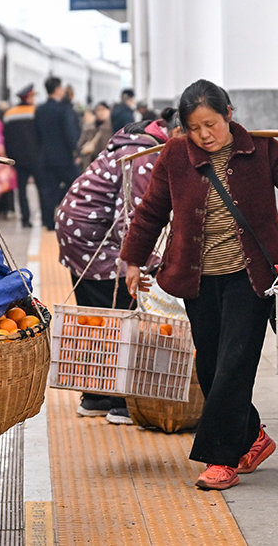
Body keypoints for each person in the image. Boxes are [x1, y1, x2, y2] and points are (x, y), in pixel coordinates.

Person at [120, 79, 278, 491]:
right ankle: (253, 437)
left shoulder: (260, 149)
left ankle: (221, 458)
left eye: (210, 124)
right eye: (194, 128)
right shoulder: (176, 155)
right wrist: (132, 260)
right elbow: (152, 210)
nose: (204, 135)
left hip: (252, 278)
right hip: (197, 278)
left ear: (229, 113)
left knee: (235, 363)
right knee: (211, 367)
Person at [57, 108, 184, 424]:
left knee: (98, 318)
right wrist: (146, 263)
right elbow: (133, 215)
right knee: (121, 313)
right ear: (178, 131)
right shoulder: (146, 155)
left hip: (78, 231)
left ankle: (95, 396)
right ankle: (122, 400)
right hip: (94, 239)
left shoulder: (139, 141)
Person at [35, 76, 81, 231]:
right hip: (65, 158)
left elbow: (37, 134)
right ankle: (72, 217)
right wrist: (76, 151)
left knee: (48, 191)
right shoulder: (64, 110)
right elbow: (70, 133)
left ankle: (49, 222)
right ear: (57, 89)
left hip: (46, 157)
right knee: (76, 185)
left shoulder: (40, 110)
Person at [3, 85, 40, 227]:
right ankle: (45, 218)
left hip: (18, 159)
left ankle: (25, 219)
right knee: (42, 188)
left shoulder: (9, 114)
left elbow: (6, 138)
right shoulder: (36, 112)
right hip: (36, 157)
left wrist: (10, 157)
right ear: (29, 97)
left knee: (22, 190)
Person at [77, 101, 113, 167]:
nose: (101, 112)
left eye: (103, 110)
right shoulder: (89, 127)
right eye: (98, 110)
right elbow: (81, 143)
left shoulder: (112, 128)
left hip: (106, 163)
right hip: (90, 162)